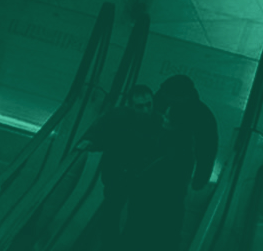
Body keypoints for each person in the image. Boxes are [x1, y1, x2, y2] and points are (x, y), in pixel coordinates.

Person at [120, 76, 219, 251]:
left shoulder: (192, 110)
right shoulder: (198, 111)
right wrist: (200, 178)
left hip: (172, 168)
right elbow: (207, 147)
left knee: (160, 208)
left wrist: (200, 177)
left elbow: (207, 147)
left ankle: (138, 242)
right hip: (163, 167)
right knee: (160, 209)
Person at [75, 84, 159, 250]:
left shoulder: (159, 122)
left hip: (141, 178)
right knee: (112, 214)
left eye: (148, 104)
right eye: (140, 106)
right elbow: (98, 133)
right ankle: (111, 246)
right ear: (130, 105)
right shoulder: (117, 117)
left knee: (135, 217)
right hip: (118, 174)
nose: (145, 110)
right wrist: (90, 142)